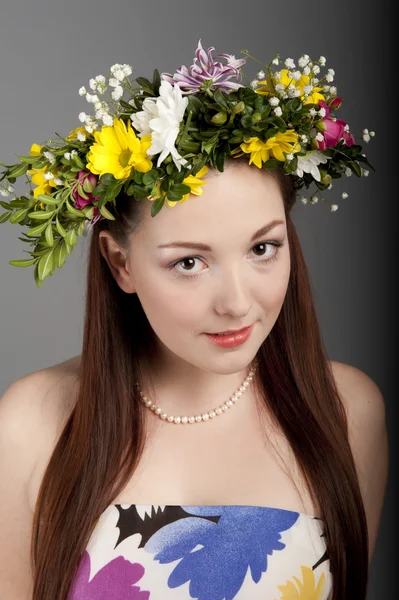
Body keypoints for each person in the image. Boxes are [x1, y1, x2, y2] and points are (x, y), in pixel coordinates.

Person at [0, 41, 388, 600]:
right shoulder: (35, 422)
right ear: (120, 263)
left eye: (263, 249)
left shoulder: (347, 411)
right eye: (189, 262)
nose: (235, 302)